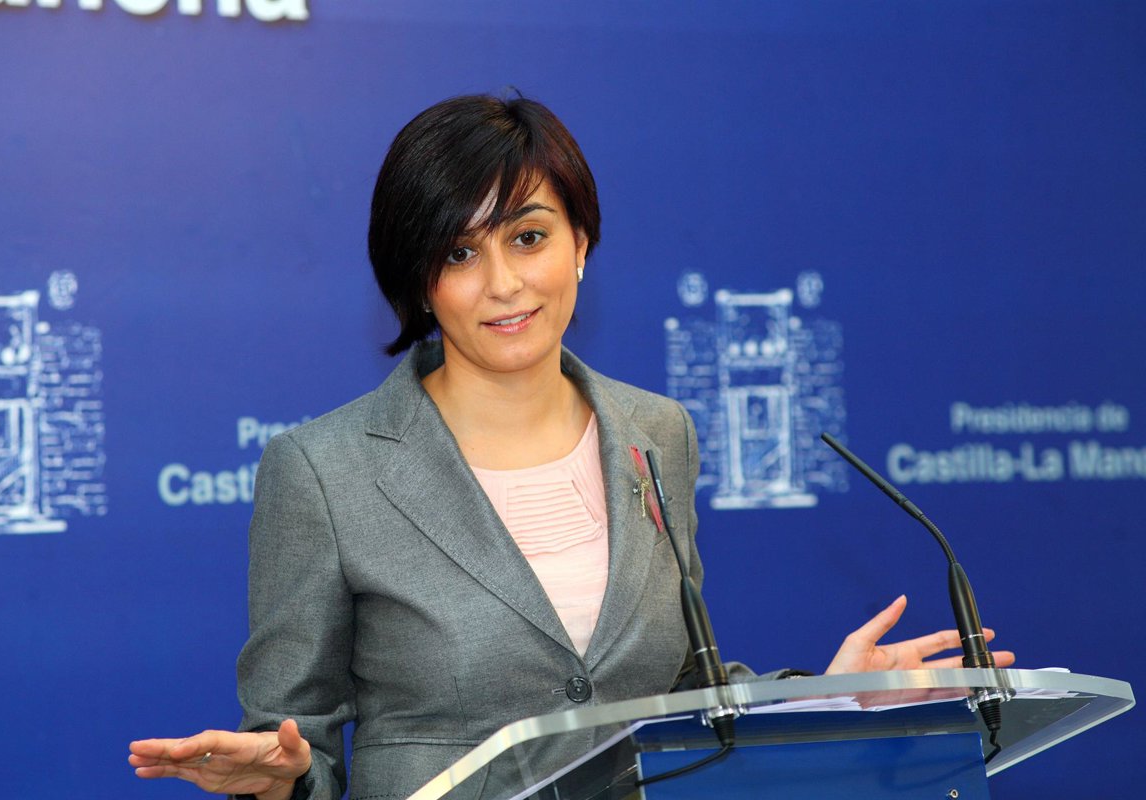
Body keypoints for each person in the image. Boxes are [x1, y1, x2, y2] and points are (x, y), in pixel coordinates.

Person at [128, 94, 1014, 800]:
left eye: (529, 237)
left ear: (580, 244)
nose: (504, 283)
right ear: (420, 282)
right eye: (459, 253)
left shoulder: (657, 433)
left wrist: (819, 698)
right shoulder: (324, 471)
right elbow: (296, 747)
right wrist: (282, 783)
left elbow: (675, 683)